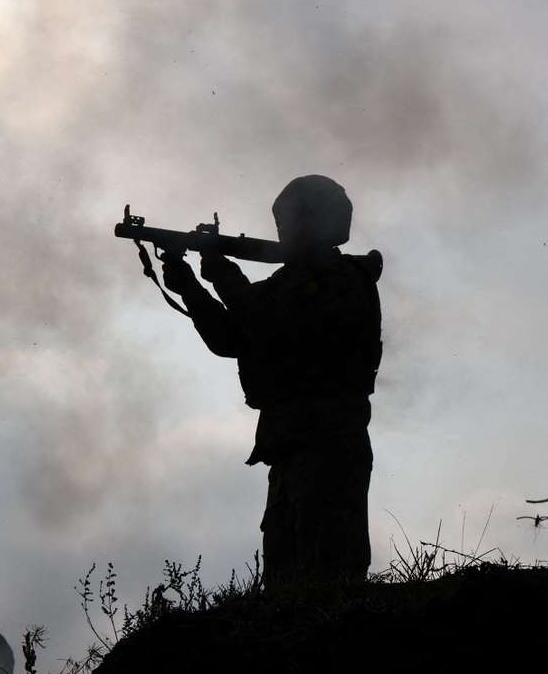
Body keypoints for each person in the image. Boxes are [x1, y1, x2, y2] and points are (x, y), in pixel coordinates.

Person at [160, 175, 382, 588]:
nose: (282, 232)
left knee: (329, 578)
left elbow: (260, 315)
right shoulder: (290, 284)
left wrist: (219, 271)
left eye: (291, 222)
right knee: (284, 582)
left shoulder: (345, 278)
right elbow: (232, 339)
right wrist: (189, 283)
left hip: (329, 444)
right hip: (289, 447)